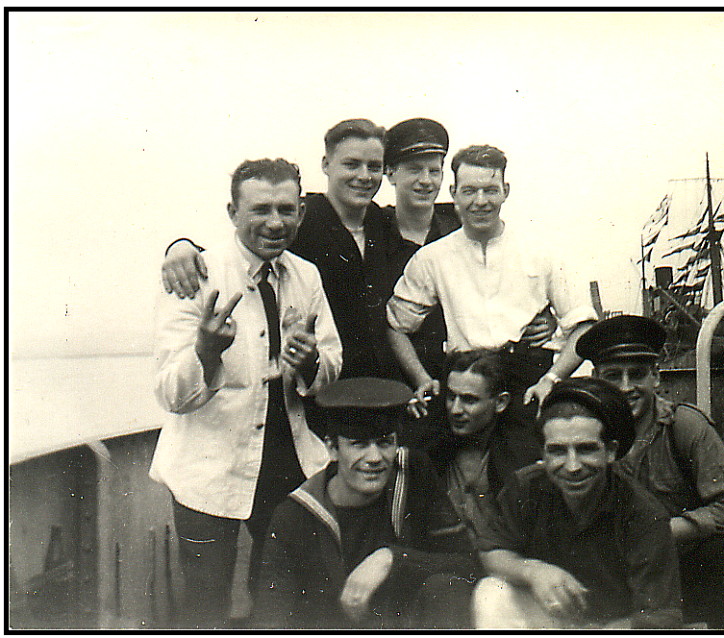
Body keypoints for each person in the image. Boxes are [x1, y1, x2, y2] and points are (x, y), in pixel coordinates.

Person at [151, 158, 343, 629]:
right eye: (260, 209)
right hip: (207, 469)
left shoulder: (307, 276)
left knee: (285, 604)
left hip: (288, 465)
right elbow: (170, 394)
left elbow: (332, 365)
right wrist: (206, 353)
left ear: (301, 212)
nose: (274, 223)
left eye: (285, 209)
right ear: (233, 212)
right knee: (205, 608)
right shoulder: (195, 275)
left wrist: (310, 364)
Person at [161, 119, 402, 382]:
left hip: (371, 388)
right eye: (351, 164)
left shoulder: (386, 224)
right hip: (316, 397)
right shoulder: (295, 218)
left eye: (374, 167)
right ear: (325, 165)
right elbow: (241, 248)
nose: (364, 176)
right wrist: (180, 247)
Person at [575, 314, 724, 629]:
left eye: (637, 374)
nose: (626, 387)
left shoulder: (684, 427)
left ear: (656, 377)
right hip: (612, 568)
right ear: (597, 379)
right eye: (613, 376)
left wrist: (662, 532)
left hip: (678, 566)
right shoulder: (580, 434)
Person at [386, 144, 596, 432]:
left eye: (490, 190)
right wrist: (421, 378)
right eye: (470, 190)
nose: (480, 201)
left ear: (505, 191)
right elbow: (396, 325)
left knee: (521, 467)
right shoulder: (432, 257)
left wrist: (551, 379)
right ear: (454, 193)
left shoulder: (542, 251)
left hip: (525, 383)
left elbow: (583, 326)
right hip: (464, 385)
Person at [253, 377, 478, 629]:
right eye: (358, 445)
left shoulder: (413, 474)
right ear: (332, 449)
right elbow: (270, 619)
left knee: (448, 589)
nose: (374, 458)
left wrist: (392, 559)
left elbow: (468, 565)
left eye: (385, 443)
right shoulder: (295, 515)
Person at [472, 377, 682, 629]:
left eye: (586, 449)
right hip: (552, 621)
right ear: (543, 453)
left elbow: (661, 618)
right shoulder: (526, 487)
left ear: (610, 451)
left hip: (615, 629)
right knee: (492, 591)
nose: (572, 467)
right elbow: (493, 551)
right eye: (558, 450)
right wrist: (534, 571)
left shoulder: (643, 513)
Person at [424, 349, 541, 538]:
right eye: (451, 397)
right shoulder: (434, 452)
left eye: (469, 400)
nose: (455, 410)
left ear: (501, 402)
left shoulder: (518, 457)